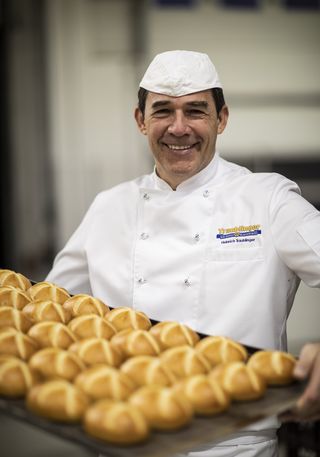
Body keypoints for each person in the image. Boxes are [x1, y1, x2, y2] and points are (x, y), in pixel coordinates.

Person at [46, 50, 320, 456]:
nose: (178, 128)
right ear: (140, 121)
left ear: (221, 119)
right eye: (162, 111)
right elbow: (45, 315)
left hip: (236, 447)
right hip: (124, 438)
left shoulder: (267, 200)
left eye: (195, 110)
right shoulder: (110, 207)